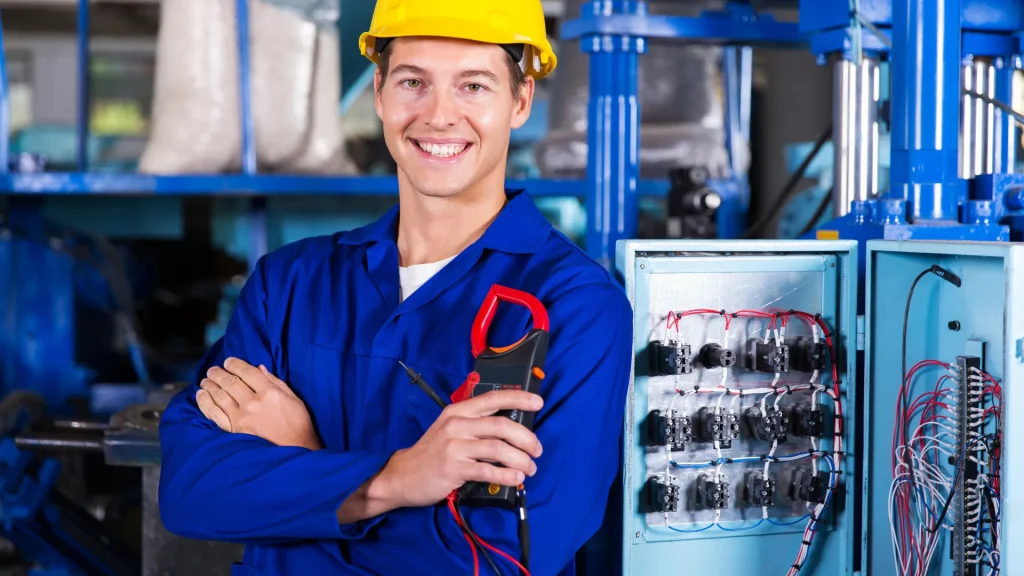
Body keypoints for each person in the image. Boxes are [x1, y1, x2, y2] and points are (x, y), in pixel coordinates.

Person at [157, 1, 634, 574]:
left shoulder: (576, 306)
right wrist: (401, 479)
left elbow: (504, 557)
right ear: (379, 91)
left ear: (521, 101)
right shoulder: (288, 284)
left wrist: (306, 469)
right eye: (414, 82)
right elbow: (191, 492)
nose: (439, 115)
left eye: (474, 86)